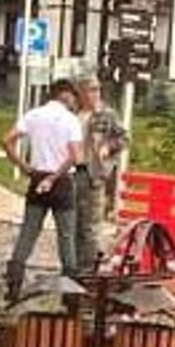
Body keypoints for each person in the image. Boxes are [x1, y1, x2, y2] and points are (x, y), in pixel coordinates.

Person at [1, 79, 87, 302]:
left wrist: (24, 166)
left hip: (37, 177)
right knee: (66, 237)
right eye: (73, 96)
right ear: (65, 95)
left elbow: (6, 140)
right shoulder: (70, 121)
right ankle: (70, 294)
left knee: (28, 233)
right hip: (62, 181)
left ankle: (13, 285)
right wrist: (56, 175)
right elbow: (76, 157)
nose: (75, 100)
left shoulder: (34, 115)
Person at [76, 74, 128, 273]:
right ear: (80, 92)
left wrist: (109, 146)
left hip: (94, 173)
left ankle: (88, 269)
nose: (95, 94)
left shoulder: (106, 114)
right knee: (73, 222)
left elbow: (124, 138)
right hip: (71, 171)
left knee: (91, 225)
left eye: (97, 89)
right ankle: (73, 265)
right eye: (91, 89)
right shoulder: (73, 113)